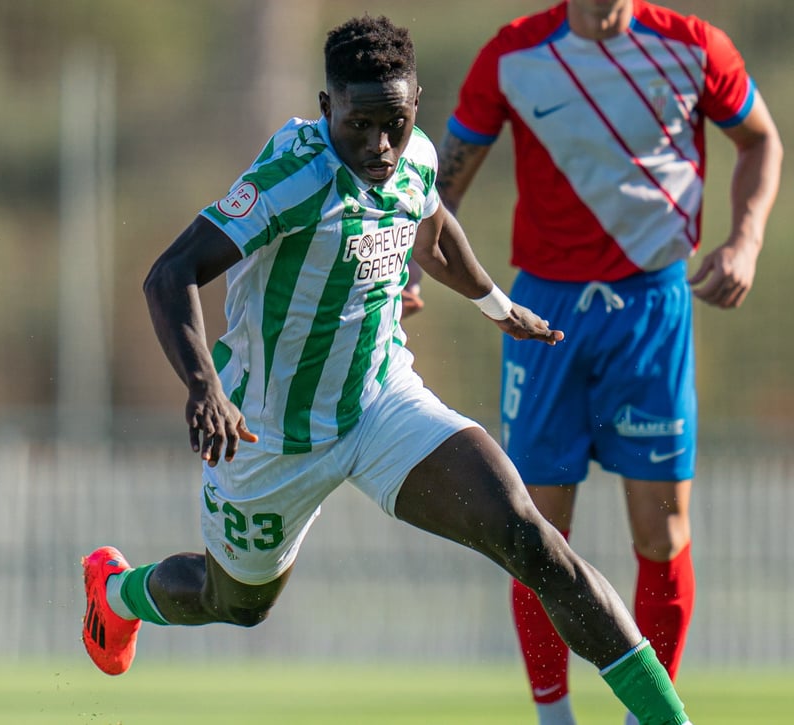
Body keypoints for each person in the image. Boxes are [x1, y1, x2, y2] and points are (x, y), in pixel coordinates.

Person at [80, 14, 693, 725]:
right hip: (268, 432)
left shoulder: (417, 157)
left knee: (529, 535)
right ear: (325, 108)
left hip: (381, 402)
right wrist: (204, 389)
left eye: (394, 123)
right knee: (237, 603)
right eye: (358, 124)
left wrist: (495, 303)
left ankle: (667, 718)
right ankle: (117, 593)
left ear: (415, 106)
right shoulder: (293, 177)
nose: (378, 145)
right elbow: (170, 273)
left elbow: (430, 228)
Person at [434, 1, 781, 723]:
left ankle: (642, 718)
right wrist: (408, 269)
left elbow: (760, 141)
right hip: (544, 315)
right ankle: (554, 717)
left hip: (654, 311)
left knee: (662, 531)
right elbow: (442, 187)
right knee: (535, 532)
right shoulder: (514, 54)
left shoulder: (694, 47)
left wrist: (744, 240)